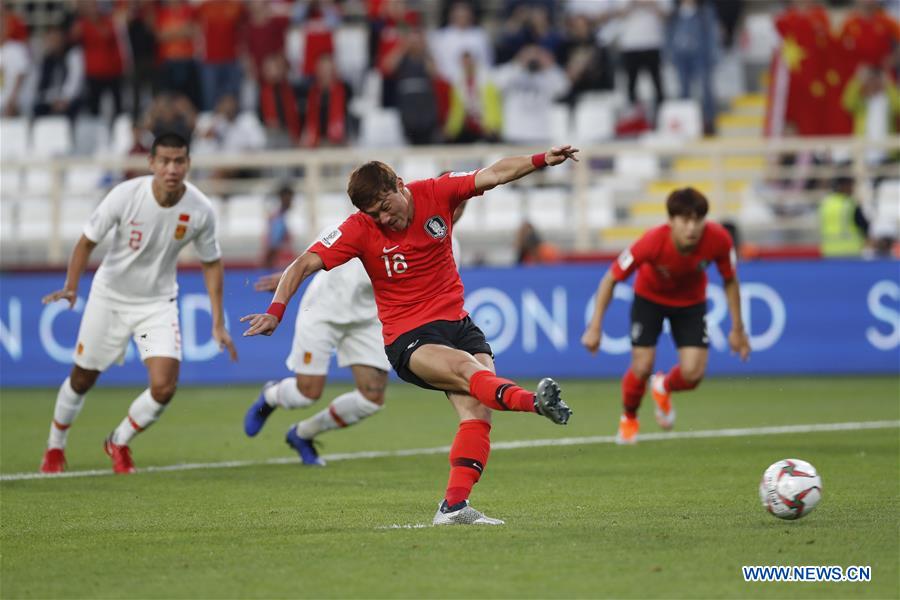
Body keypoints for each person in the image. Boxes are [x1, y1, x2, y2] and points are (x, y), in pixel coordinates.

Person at [241, 146, 579, 525]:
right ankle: (536, 403)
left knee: (477, 412)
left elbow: (496, 173)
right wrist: (276, 310)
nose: (384, 218)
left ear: (399, 185)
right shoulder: (359, 228)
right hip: (408, 336)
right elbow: (303, 263)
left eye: (386, 206)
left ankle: (453, 507)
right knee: (470, 372)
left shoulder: (437, 194)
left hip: (459, 325)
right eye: (375, 213)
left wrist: (541, 160)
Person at [40, 132, 238, 475]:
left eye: (179, 161)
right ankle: (55, 447)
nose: (172, 168)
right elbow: (86, 242)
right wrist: (72, 286)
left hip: (157, 303)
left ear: (188, 164)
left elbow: (211, 263)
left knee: (164, 386)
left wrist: (218, 322)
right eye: (164, 161)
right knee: (82, 379)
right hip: (109, 298)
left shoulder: (200, 209)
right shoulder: (125, 195)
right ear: (151, 163)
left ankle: (119, 440)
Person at [244, 199, 470, 465]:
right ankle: (271, 395)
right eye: (453, 203)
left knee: (371, 398)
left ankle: (303, 434)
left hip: (369, 318)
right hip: (324, 309)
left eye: (461, 205)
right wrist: (287, 277)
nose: (455, 210)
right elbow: (317, 253)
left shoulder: (451, 246)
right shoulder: (375, 223)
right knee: (307, 393)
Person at [581, 187, 750, 445]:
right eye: (685, 220)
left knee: (693, 374)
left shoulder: (719, 239)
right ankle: (629, 418)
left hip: (691, 303)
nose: (692, 227)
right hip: (649, 299)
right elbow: (611, 278)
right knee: (642, 366)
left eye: (698, 220)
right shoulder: (651, 242)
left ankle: (663, 386)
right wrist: (595, 326)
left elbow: (730, 280)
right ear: (671, 220)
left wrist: (738, 328)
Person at [819, 175, 869, 257]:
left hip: (829, 251)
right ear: (843, 186)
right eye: (850, 186)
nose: (852, 189)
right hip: (850, 251)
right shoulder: (850, 204)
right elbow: (864, 225)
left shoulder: (826, 203)